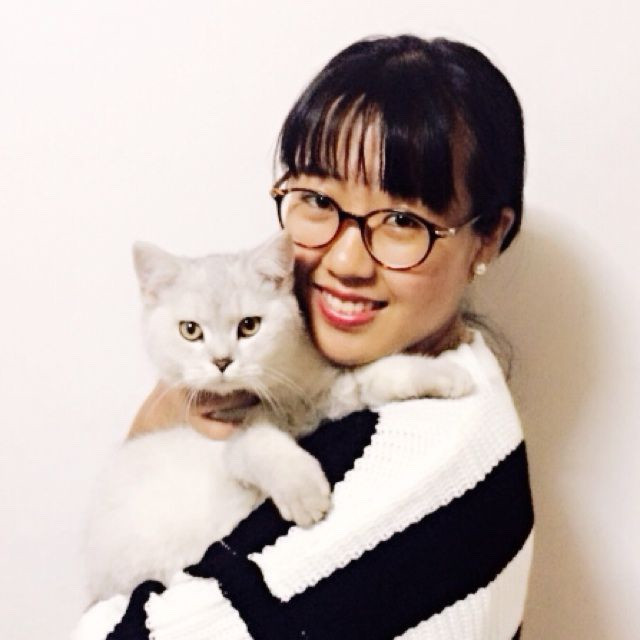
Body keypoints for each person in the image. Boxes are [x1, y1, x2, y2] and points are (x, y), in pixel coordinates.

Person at [75, 34, 533, 639]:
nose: (344, 261)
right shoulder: (450, 373)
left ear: (488, 236)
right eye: (317, 199)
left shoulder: (424, 471)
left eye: (402, 220)